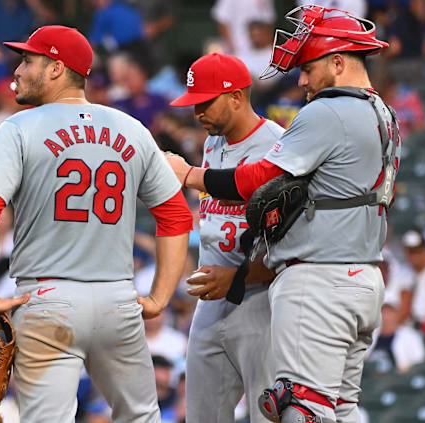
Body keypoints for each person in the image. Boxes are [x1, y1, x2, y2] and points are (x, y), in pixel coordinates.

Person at [166, 6, 398, 423]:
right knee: (335, 411)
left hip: (318, 279)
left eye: (308, 67)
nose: (302, 80)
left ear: (338, 61)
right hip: (361, 276)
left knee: (300, 409)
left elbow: (260, 177)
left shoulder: (327, 112)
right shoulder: (382, 113)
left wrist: (190, 175)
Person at [0, 25, 193, 422]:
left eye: (28, 60)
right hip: (117, 300)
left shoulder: (19, 127)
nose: (17, 70)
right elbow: (175, 215)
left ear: (56, 68)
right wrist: (158, 298)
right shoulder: (132, 129)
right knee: (141, 415)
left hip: (48, 299)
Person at [169, 53, 281, 423]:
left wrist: (236, 277)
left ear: (236, 97)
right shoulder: (212, 143)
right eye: (194, 103)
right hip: (211, 298)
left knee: (269, 415)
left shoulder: (278, 145)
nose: (197, 112)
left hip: (262, 299)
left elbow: (291, 244)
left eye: (206, 102)